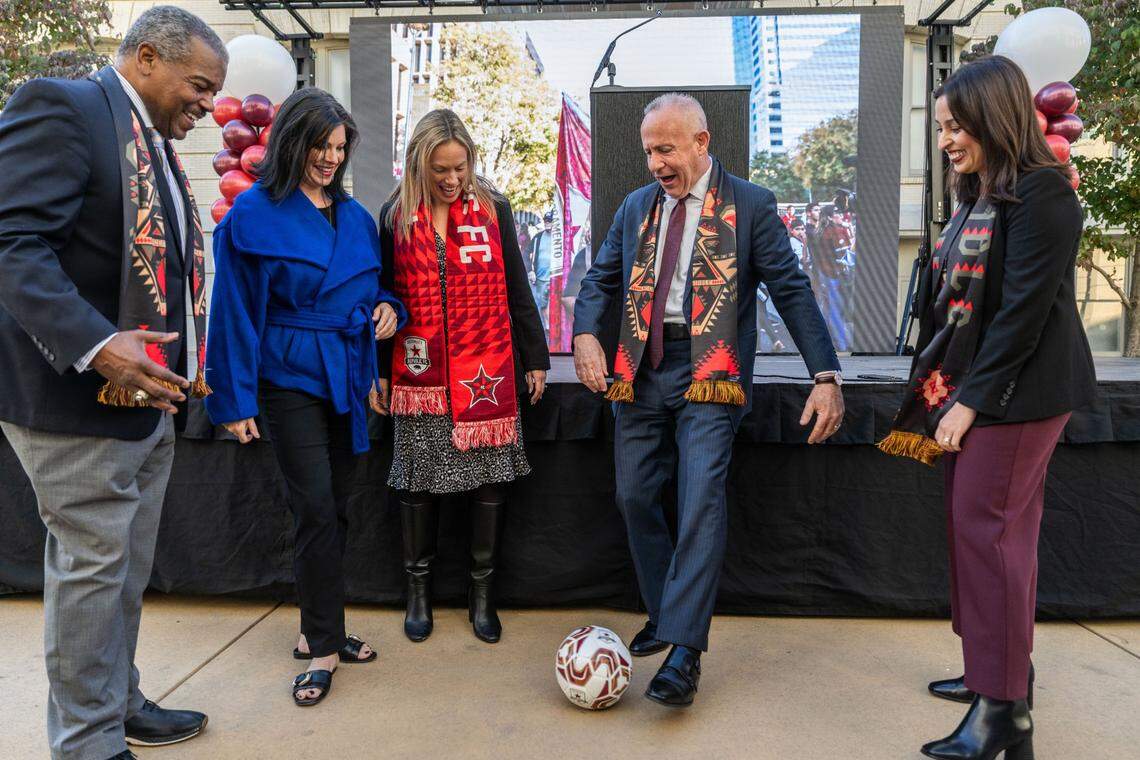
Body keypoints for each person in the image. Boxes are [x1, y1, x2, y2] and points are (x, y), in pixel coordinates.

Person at [0, 7, 225, 757]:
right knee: (95, 572)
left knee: (123, 570)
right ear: (148, 58)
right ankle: (88, 742)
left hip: (143, 399)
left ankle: (116, 700)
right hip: (76, 400)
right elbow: (11, 245)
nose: (208, 103)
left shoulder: (149, 142)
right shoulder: (62, 107)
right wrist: (100, 347)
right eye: (198, 85)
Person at [573, 93, 844, 707]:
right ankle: (669, 610)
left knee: (699, 499)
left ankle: (684, 653)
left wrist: (825, 374)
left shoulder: (751, 204)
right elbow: (601, 280)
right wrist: (586, 332)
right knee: (634, 494)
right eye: (648, 152)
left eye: (665, 150)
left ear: (702, 142)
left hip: (710, 373)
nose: (654, 164)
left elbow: (793, 291)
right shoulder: (635, 206)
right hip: (640, 370)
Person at [878, 56, 1097, 760]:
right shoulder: (986, 191)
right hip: (985, 389)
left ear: (993, 116)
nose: (945, 139)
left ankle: (1002, 714)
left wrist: (968, 403)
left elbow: (1022, 317)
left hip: (1018, 396)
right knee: (989, 538)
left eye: (955, 125)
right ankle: (996, 680)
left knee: (990, 538)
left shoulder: (1045, 193)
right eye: (941, 126)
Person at [204, 88, 406, 707]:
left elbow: (379, 291)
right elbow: (233, 313)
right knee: (315, 507)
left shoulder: (356, 218)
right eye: (321, 145)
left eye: (340, 148)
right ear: (293, 142)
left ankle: (319, 628)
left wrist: (387, 313)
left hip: (347, 374)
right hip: (287, 377)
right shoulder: (253, 216)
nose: (330, 158)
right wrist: (233, 401)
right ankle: (323, 646)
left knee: (337, 507)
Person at [376, 109, 549, 645]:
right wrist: (378, 374)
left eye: (460, 167)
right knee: (418, 485)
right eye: (439, 170)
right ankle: (419, 592)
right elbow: (383, 295)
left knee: (490, 487)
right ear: (417, 166)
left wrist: (536, 356)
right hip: (420, 374)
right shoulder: (394, 215)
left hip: (486, 371)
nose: (452, 180)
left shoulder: (494, 208)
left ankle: (482, 595)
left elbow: (517, 284)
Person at [528, 210, 555, 330]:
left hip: (555, 276)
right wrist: (530, 270)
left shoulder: (561, 238)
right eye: (546, 221)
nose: (547, 223)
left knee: (556, 303)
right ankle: (548, 327)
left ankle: (555, 327)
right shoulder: (538, 237)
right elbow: (525, 253)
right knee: (543, 304)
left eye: (550, 221)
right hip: (540, 278)